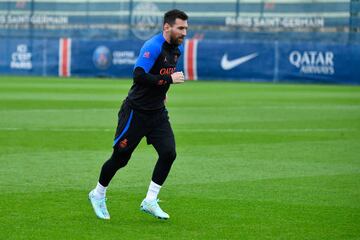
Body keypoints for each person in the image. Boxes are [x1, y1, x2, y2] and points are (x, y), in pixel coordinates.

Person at [89, 9, 188, 220]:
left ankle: (150, 201)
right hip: (136, 112)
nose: (184, 32)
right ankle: (97, 194)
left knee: (169, 153)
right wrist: (168, 81)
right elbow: (139, 75)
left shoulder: (176, 49)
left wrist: (162, 93)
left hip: (157, 114)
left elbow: (159, 77)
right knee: (120, 159)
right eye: (181, 28)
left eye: (186, 28)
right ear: (167, 27)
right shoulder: (152, 46)